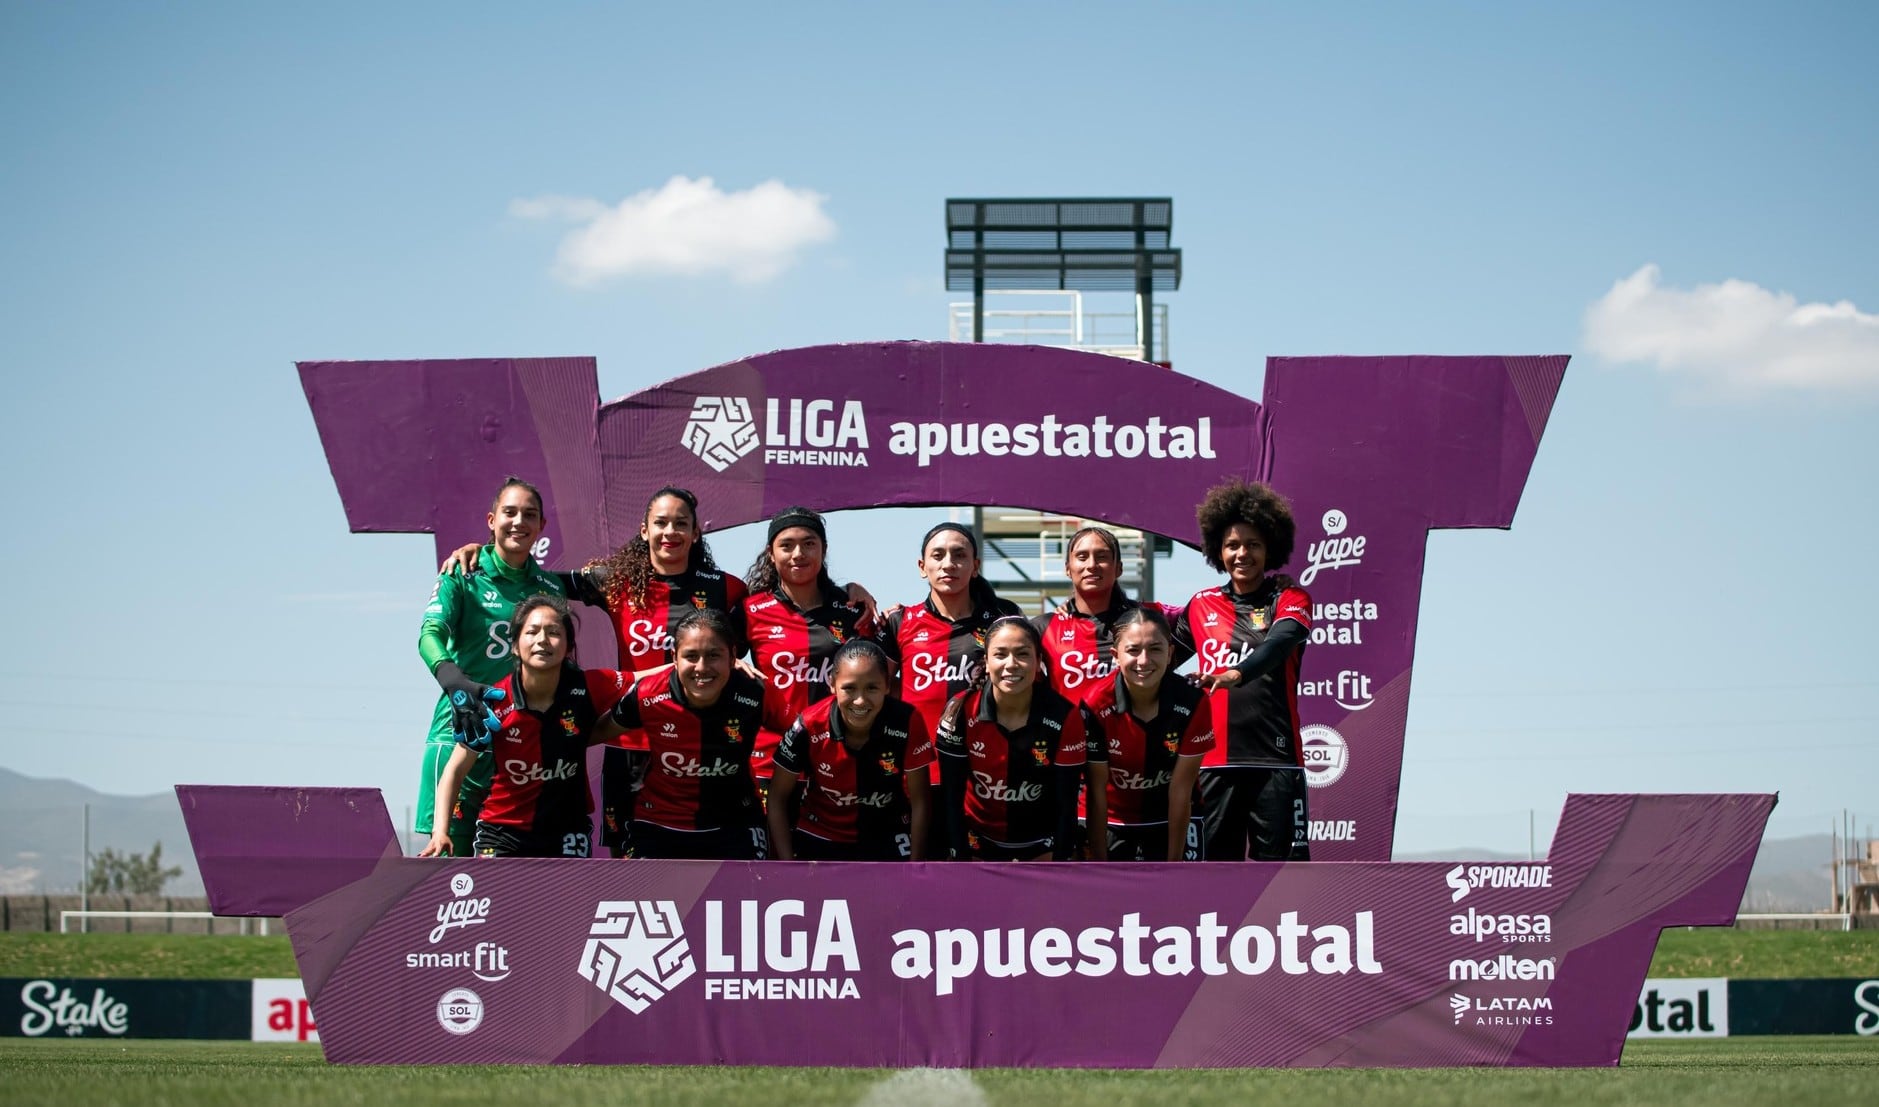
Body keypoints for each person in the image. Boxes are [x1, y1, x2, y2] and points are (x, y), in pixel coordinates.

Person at [417, 477, 566, 857]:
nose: (519, 522)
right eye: (509, 513)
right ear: (490, 520)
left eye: (529, 515)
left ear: (542, 527)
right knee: (448, 870)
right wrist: (455, 683)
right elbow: (428, 635)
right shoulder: (461, 572)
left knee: (512, 878)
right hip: (459, 731)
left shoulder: (551, 587)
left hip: (519, 741)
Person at [420, 595, 629, 858]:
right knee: (503, 901)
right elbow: (454, 771)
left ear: (568, 647)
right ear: (516, 646)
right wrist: (440, 832)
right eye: (532, 632)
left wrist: (687, 669)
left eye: (554, 632)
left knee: (569, 901)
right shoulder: (495, 701)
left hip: (568, 829)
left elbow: (648, 683)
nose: (543, 640)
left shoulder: (590, 685)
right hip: (503, 832)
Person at [1172, 479, 1312, 862]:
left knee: (1284, 882)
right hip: (1213, 763)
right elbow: (1155, 660)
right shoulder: (1200, 605)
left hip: (1276, 761)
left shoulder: (1291, 598)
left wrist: (1235, 674)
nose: (1242, 553)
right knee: (1212, 880)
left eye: (1253, 544)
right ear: (1219, 551)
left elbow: (1279, 644)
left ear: (1270, 549)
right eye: (1232, 545)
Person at [875, 522, 1023, 854]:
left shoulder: (1004, 619)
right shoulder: (899, 623)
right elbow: (873, 691)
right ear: (921, 567)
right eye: (938, 555)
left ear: (975, 566)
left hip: (985, 779)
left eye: (959, 555)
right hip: (915, 777)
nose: (948, 564)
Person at [606, 609, 793, 860]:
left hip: (735, 823)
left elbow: (805, 736)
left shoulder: (756, 690)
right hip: (659, 823)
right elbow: (590, 734)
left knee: (749, 892)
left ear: (733, 657)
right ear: (674, 658)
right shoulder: (647, 694)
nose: (702, 668)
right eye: (691, 656)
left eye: (714, 655)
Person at [935, 617, 1100, 861]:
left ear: (1038, 662)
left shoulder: (1065, 716)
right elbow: (951, 798)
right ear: (987, 663)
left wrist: (1060, 864)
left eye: (1022, 654)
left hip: (1042, 844)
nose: (1011, 664)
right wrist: (961, 861)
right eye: (1000, 655)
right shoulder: (959, 710)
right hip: (979, 842)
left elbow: (1067, 806)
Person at [741, 506, 875, 800]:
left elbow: (880, 675)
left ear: (824, 550)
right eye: (786, 545)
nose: (798, 553)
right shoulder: (751, 610)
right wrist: (736, 663)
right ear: (771, 553)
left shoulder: (853, 609)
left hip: (836, 759)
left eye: (809, 543)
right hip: (768, 760)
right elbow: (716, 658)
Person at [765, 639, 933, 861]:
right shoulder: (808, 725)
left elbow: (921, 800)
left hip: (887, 834)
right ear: (832, 684)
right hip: (821, 833)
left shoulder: (908, 720)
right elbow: (777, 798)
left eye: (872, 688)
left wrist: (915, 868)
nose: (860, 700)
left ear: (887, 685)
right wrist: (788, 865)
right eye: (849, 688)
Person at [1079, 607, 1213, 861]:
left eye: (1155, 649)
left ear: (1170, 653)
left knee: (1178, 897)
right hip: (1112, 819)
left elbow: (1181, 789)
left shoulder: (1193, 700)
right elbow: (1096, 790)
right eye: (1133, 650)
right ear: (1115, 655)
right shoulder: (1094, 703)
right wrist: (1098, 863)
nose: (1143, 661)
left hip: (1173, 818)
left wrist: (1174, 863)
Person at [1031, 524, 1181, 701]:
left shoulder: (1150, 616)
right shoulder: (1042, 627)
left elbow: (1205, 612)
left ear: (1119, 568)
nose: (1092, 565)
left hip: (1135, 729)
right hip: (1069, 728)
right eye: (1082, 557)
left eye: (1102, 557)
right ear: (1067, 568)